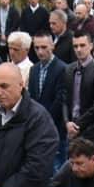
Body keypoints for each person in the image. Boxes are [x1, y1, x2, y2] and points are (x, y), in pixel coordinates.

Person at [27, 31, 70, 165]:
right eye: (36, 48)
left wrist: (43, 119)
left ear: (52, 46)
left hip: (56, 128)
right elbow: (32, 98)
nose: (40, 52)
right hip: (38, 128)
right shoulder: (34, 69)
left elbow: (60, 99)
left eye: (44, 47)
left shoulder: (62, 68)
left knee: (57, 167)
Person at [63, 31, 94, 148]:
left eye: (82, 45)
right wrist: (67, 122)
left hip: (92, 132)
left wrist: (77, 125)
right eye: (75, 46)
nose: (78, 49)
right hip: (72, 128)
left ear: (91, 46)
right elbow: (65, 99)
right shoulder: (69, 69)